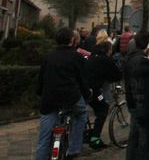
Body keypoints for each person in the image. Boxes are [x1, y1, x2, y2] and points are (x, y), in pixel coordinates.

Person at [35, 28, 91, 160]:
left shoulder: (49, 56)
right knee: (82, 114)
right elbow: (82, 79)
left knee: (43, 139)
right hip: (71, 97)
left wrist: (40, 93)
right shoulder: (76, 57)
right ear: (72, 40)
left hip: (49, 100)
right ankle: (74, 149)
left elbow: (41, 78)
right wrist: (87, 93)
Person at [85, 40, 122, 149]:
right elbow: (117, 75)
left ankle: (86, 133)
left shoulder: (92, 57)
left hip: (83, 89)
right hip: (94, 91)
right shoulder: (106, 60)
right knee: (102, 109)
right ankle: (95, 139)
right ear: (108, 50)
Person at [124, 30, 149, 160]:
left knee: (135, 134)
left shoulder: (130, 57)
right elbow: (140, 84)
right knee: (143, 136)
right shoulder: (141, 60)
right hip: (139, 103)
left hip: (132, 101)